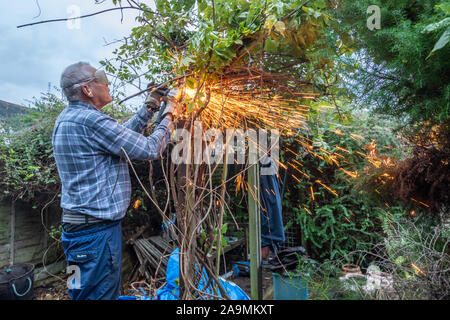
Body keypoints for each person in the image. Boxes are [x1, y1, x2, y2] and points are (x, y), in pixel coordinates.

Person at [52, 61, 177, 300]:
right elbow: (151, 148)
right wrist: (170, 112)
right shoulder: (90, 121)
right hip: (96, 236)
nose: (107, 83)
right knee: (99, 296)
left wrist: (150, 106)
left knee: (80, 292)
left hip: (79, 234)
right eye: (101, 78)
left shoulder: (69, 118)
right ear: (87, 90)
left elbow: (121, 137)